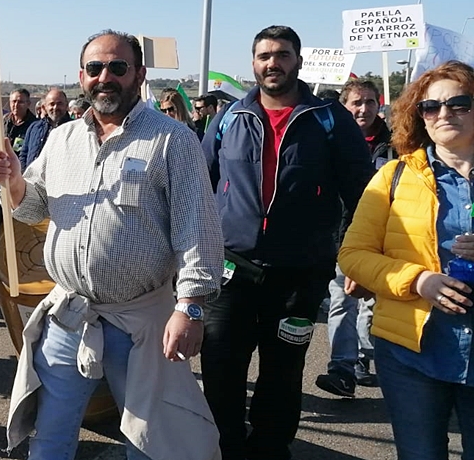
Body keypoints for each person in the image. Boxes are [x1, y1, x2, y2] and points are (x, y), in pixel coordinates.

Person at [0, 30, 223, 460]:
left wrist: (190, 308)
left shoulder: (172, 140)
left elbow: (198, 229)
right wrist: (13, 182)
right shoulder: (62, 139)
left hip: (141, 325)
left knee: (150, 441)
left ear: (139, 74)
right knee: (49, 434)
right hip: (69, 317)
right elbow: (32, 208)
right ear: (82, 76)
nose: (106, 77)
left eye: (118, 67)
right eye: (95, 68)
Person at [201, 25, 374, 460]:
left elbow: (363, 195)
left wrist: (357, 257)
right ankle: (225, 449)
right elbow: (199, 188)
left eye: (281, 55)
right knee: (221, 368)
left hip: (300, 274)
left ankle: (269, 449)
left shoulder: (329, 119)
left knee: (282, 373)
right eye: (263, 56)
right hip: (231, 271)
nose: (272, 63)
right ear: (253, 63)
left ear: (297, 60)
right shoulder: (230, 118)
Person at [342, 60, 474, 460]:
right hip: (411, 354)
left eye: (459, 103)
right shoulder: (394, 176)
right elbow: (352, 256)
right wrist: (418, 280)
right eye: (431, 107)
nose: (443, 114)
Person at [315, 79, 392, 397]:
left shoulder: (397, 144)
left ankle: (363, 356)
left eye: (370, 102)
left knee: (372, 305)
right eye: (357, 103)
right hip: (343, 235)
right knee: (342, 300)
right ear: (345, 106)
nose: (364, 108)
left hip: (387, 239)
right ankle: (343, 368)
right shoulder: (327, 141)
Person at [0, 89, 36, 227]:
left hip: (21, 175)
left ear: (28, 103)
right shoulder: (5, 121)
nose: (16, 105)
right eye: (13, 101)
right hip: (4, 172)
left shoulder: (34, 125)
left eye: (20, 102)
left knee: (17, 211)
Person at [19, 87, 70, 169]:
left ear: (66, 106)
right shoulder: (34, 127)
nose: (55, 107)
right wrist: (25, 174)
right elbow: (24, 154)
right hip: (32, 179)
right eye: (52, 104)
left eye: (60, 103)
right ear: (45, 107)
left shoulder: (74, 128)